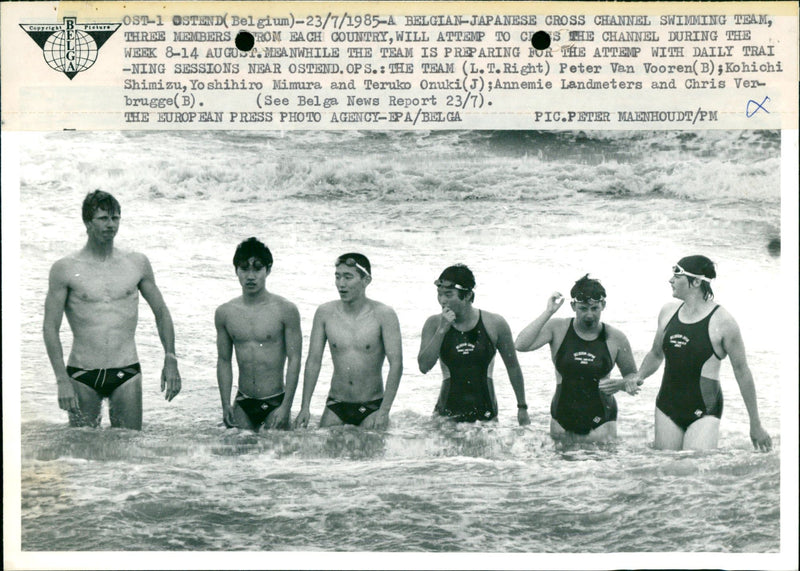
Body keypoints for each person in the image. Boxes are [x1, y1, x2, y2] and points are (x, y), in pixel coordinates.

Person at [43, 190, 181, 429]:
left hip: (126, 370)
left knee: (129, 453)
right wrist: (61, 380)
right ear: (87, 222)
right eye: (103, 218)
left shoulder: (136, 263)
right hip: (82, 373)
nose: (111, 225)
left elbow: (161, 312)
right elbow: (50, 327)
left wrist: (170, 357)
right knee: (82, 454)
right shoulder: (65, 269)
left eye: (115, 218)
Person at [625, 255, 772, 451]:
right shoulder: (667, 312)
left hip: (704, 409)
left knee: (693, 471)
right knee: (664, 474)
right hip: (666, 405)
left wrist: (755, 424)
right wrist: (639, 376)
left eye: (677, 276)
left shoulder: (723, 322)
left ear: (695, 282)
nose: (671, 280)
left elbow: (742, 371)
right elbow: (656, 354)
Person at [514, 275, 638, 442]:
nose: (589, 315)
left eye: (594, 309)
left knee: (603, 467)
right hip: (561, 417)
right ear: (573, 306)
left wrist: (622, 384)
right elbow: (521, 344)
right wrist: (548, 312)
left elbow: (633, 376)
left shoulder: (615, 337)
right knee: (560, 468)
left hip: (602, 419)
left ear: (603, 305)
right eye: (583, 308)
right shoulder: (557, 328)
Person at [294, 253, 402, 429]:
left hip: (372, 405)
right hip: (336, 404)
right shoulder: (325, 313)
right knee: (321, 455)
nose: (341, 284)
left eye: (348, 277)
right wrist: (305, 406)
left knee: (372, 456)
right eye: (337, 277)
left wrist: (384, 411)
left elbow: (396, 364)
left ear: (366, 280)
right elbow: (313, 361)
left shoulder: (384, 315)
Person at [418, 264, 530, 425]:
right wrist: (442, 330)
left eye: (449, 294)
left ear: (468, 295)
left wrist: (522, 407)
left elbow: (513, 367)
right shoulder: (434, 324)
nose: (442, 300)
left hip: (486, 418)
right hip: (445, 418)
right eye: (439, 294)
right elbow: (423, 366)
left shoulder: (495, 323)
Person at [215, 238, 302, 431]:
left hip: (275, 401)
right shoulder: (225, 313)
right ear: (236, 271)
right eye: (244, 269)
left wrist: (286, 407)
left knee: (275, 457)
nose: (250, 276)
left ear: (268, 270)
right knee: (236, 456)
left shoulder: (285, 310)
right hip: (243, 401)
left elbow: (294, 360)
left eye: (257, 268)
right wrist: (225, 404)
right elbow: (223, 360)